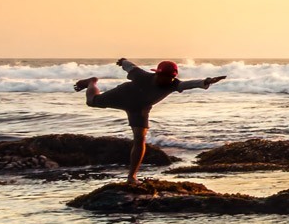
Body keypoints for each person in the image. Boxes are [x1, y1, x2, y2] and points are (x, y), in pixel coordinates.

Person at [74, 59, 226, 186]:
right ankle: (91, 82)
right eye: (164, 76)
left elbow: (190, 84)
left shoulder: (173, 84)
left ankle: (131, 177)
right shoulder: (142, 76)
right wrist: (123, 61)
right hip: (122, 95)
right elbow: (130, 67)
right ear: (157, 73)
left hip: (139, 109)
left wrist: (207, 81)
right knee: (92, 102)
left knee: (140, 139)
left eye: (170, 77)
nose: (166, 80)